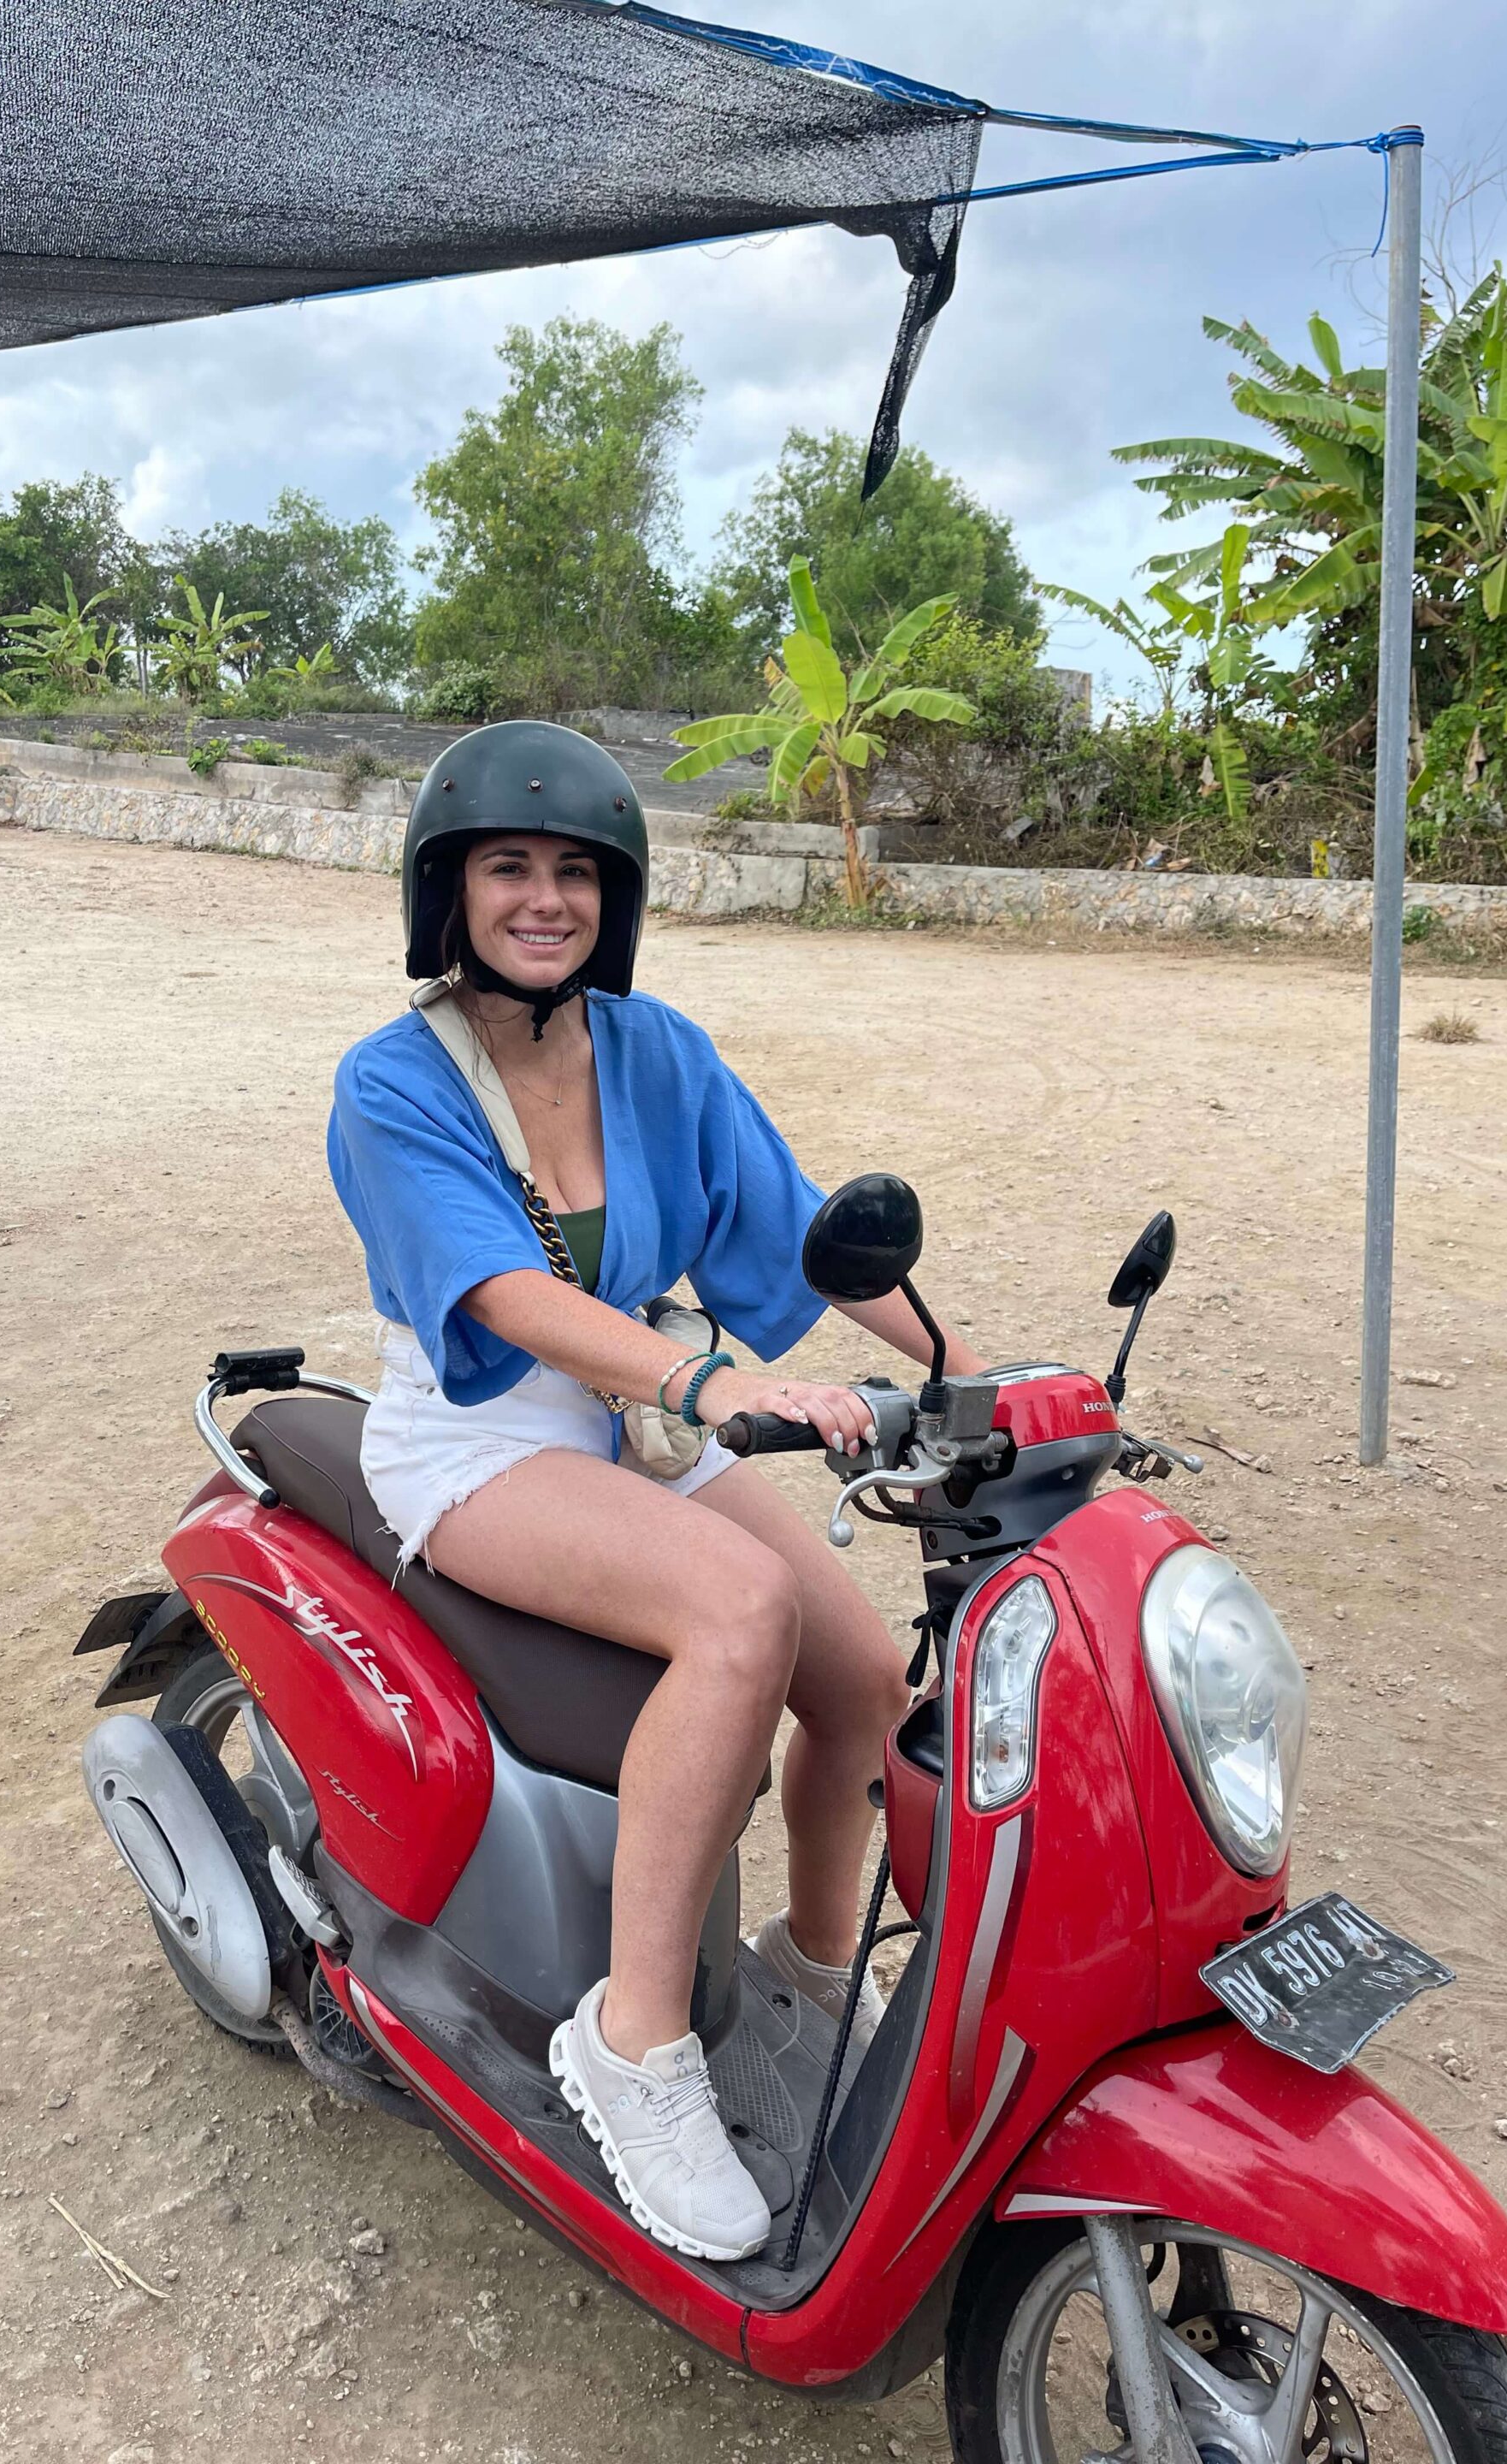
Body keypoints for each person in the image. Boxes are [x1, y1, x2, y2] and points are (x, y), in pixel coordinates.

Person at [328, 720, 984, 2262]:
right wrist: (703, 1380)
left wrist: (966, 1370)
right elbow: (491, 1291)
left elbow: (804, 1226)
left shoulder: (661, 1051)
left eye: (573, 872)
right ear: (449, 891)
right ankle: (635, 2045)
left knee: (872, 1690)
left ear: (611, 902)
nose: (542, 898)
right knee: (740, 1614)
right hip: (483, 1441)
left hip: (653, 1434)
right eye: (508, 867)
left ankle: (813, 1984)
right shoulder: (392, 1082)